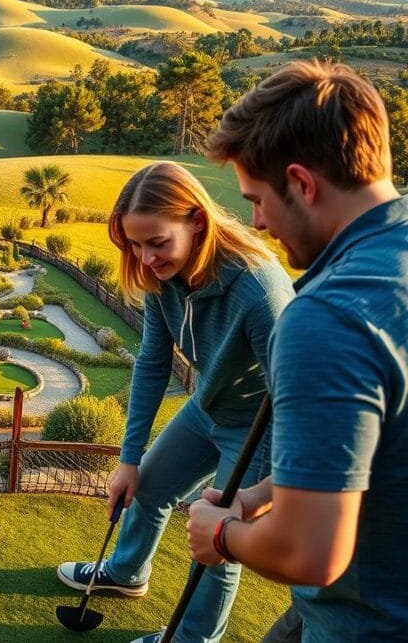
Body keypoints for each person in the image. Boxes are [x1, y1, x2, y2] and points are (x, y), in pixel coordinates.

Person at [187, 61, 407, 641]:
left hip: (367, 619)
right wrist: (261, 496)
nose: (257, 223)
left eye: (257, 199)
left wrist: (219, 534)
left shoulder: (327, 318)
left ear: (303, 184)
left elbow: (310, 552)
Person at [56, 161, 294, 643]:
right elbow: (151, 362)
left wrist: (262, 494)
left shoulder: (259, 292)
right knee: (146, 485)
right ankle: (126, 573)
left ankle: (193, 638)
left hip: (257, 430)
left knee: (217, 542)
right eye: (135, 245)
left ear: (197, 222)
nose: (145, 257)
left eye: (157, 242)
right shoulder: (162, 276)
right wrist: (128, 460)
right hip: (207, 406)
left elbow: (296, 400)